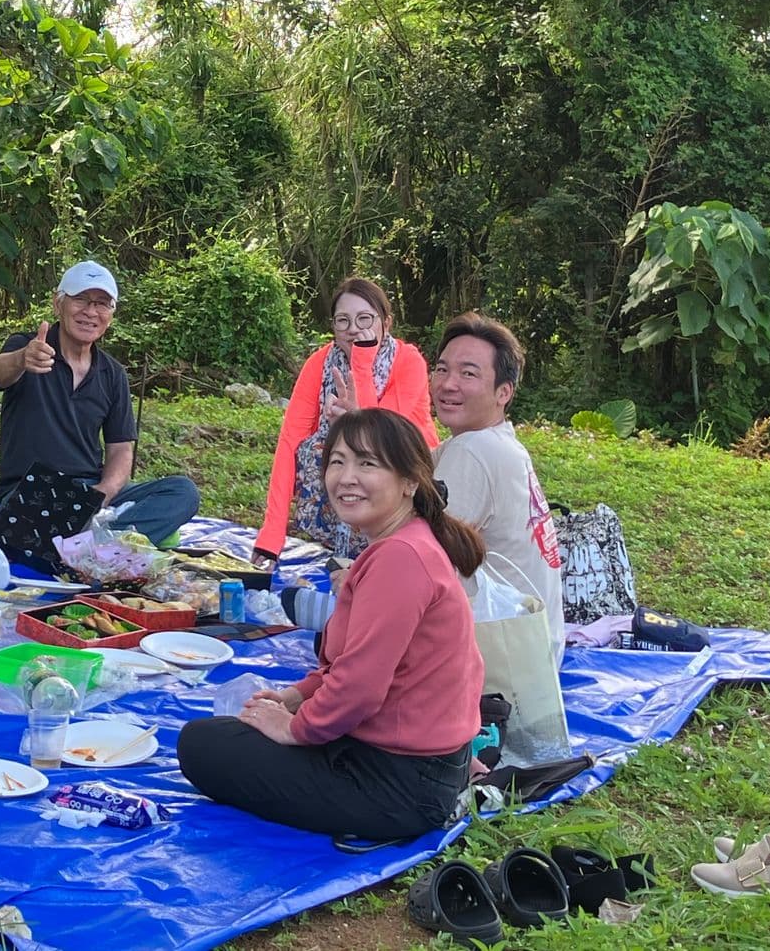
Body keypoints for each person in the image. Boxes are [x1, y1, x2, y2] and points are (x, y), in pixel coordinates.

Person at [177, 408, 484, 841]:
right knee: (236, 729)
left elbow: (359, 686)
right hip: (418, 765)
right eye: (337, 462)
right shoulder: (406, 544)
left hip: (401, 786)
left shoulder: (401, 559)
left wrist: (295, 728)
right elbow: (351, 665)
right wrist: (293, 696)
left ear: (410, 482)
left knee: (201, 745)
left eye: (367, 463)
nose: (346, 477)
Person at [0, 260, 199, 547]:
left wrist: (101, 494)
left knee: (183, 493)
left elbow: (122, 450)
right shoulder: (30, 347)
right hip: (30, 492)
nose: (90, 312)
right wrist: (22, 359)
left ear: (111, 314)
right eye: (81, 300)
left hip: (90, 491)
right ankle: (108, 543)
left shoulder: (113, 374)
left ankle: (97, 541)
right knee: (31, 513)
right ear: (58, 303)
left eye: (102, 303)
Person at [255, 276, 433, 565]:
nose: (353, 330)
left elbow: (383, 436)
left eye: (364, 319)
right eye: (343, 321)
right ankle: (343, 545)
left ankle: (385, 547)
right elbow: (291, 442)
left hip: (404, 471)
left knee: (364, 451)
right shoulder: (319, 363)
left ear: (385, 323)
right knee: (316, 447)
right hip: (354, 477)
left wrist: (361, 363)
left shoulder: (408, 361)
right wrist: (270, 538)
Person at [430, 312, 565, 665]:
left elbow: (420, 559)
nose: (448, 384)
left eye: (468, 373)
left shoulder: (474, 450)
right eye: (442, 369)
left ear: (503, 392)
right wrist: (362, 428)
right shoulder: (492, 440)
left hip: (506, 663)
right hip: (538, 647)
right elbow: (408, 469)